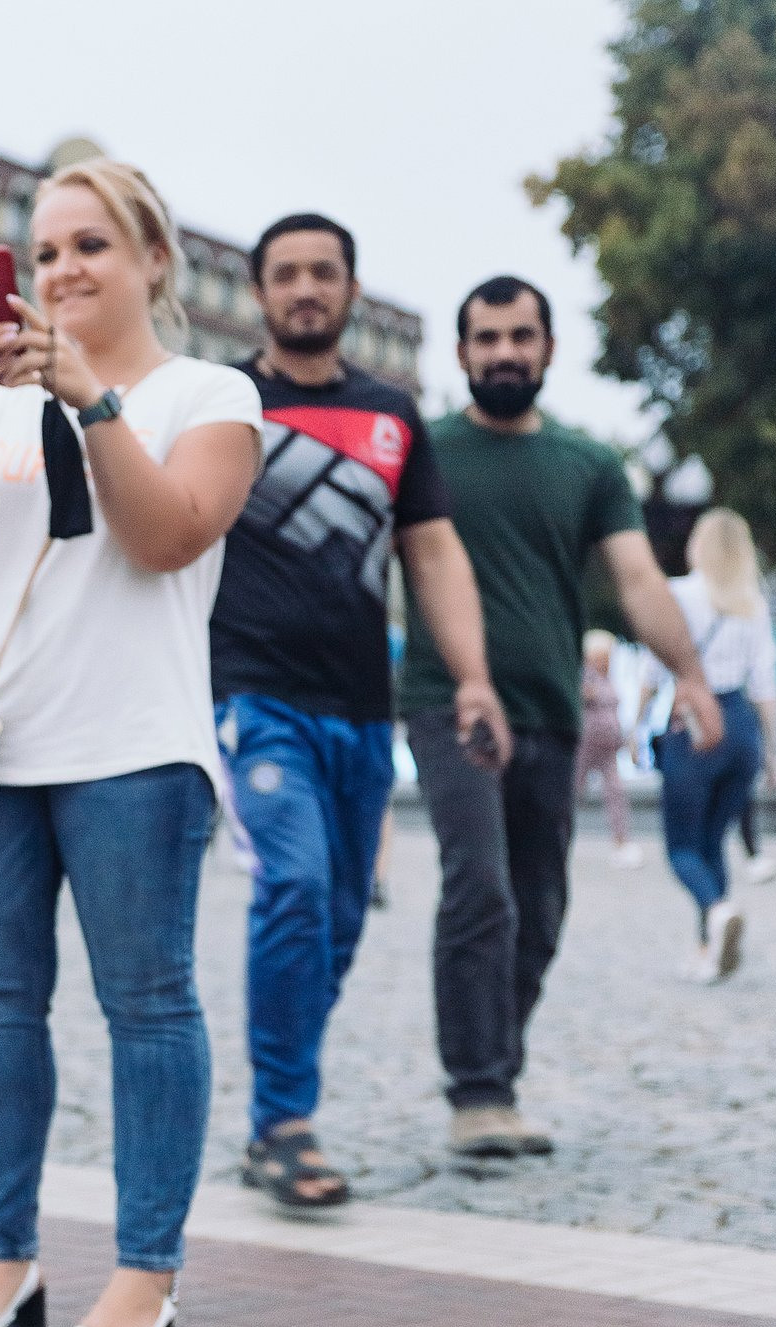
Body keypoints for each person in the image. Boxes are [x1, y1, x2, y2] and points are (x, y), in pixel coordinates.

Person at [0, 158, 261, 1327]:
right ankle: (4, 1256)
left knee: (146, 1007)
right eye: (44, 252)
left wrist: (96, 401)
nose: (60, 271)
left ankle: (146, 1271)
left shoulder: (211, 393)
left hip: (134, 750)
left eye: (91, 246)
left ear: (155, 259)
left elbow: (165, 539)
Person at [207, 212, 510, 1211]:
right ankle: (283, 1124)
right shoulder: (221, 400)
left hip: (359, 705)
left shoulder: (391, 414)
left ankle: (277, 1100)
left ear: (347, 287)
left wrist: (470, 677)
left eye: (321, 273)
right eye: (285, 273)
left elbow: (431, 553)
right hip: (250, 694)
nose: (303, 288)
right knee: (290, 884)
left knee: (336, 920)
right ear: (258, 291)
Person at [403, 276, 724, 1157]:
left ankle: (496, 1065)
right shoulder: (423, 452)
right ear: (461, 352)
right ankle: (478, 1091)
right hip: (447, 704)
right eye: (486, 338)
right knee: (481, 886)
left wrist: (688, 674)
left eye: (521, 336)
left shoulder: (587, 465)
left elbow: (637, 579)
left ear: (547, 347)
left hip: (550, 712)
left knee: (541, 904)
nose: (504, 352)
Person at [648, 508, 776, 982]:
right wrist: (772, 752)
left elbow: (654, 667)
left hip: (694, 724)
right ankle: (710, 949)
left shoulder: (678, 594)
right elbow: (765, 682)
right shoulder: (753, 603)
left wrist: (639, 720)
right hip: (741, 725)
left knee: (682, 847)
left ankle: (716, 911)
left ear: (699, 546)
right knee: (713, 842)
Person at [575, 630, 645, 869]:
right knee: (573, 791)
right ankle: (555, 837)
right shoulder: (585, 675)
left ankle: (621, 841)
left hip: (608, 746)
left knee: (616, 792)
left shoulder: (609, 678)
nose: (606, 660)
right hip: (585, 743)